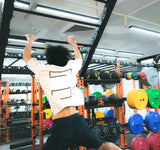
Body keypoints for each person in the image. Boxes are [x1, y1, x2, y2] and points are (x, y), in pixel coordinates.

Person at [23, 34, 121, 150]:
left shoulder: (43, 70)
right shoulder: (71, 67)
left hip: (62, 124)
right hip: (78, 120)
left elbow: (26, 57)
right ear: (66, 58)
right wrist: (74, 44)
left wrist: (30, 41)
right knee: (102, 147)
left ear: (48, 59)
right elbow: (79, 58)